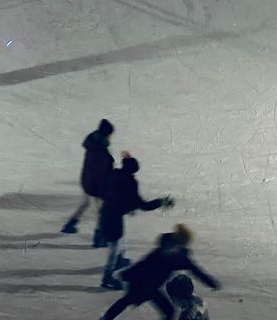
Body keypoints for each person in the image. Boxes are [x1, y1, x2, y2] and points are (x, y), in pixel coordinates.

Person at [101, 225, 218, 319]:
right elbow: (141, 265)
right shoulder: (159, 253)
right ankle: (106, 317)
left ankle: (106, 317)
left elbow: (195, 270)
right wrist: (125, 275)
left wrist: (211, 282)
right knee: (128, 300)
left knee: (168, 311)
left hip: (151, 286)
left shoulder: (179, 255)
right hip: (141, 283)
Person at [99, 154, 174, 289]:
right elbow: (143, 205)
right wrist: (161, 201)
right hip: (113, 218)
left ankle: (119, 262)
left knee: (120, 241)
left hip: (105, 213)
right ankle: (107, 278)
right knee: (115, 247)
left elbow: (111, 193)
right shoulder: (130, 183)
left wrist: (126, 206)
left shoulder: (114, 175)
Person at [61, 119, 115, 247]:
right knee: (100, 211)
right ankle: (99, 238)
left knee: (85, 203)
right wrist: (105, 190)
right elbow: (101, 174)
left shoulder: (93, 143)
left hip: (86, 180)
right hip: (95, 185)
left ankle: (70, 224)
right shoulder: (101, 152)